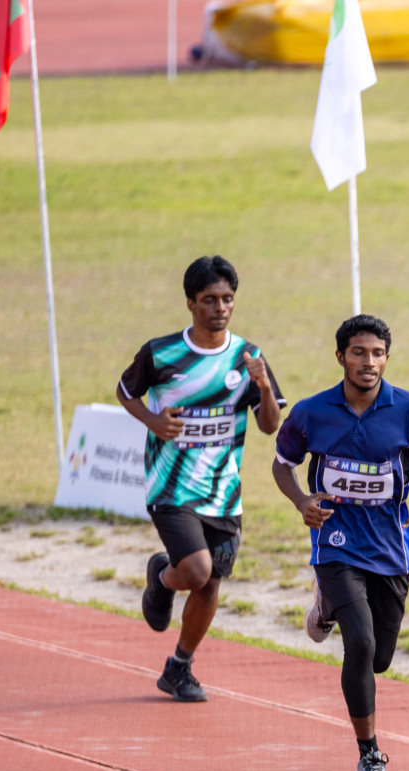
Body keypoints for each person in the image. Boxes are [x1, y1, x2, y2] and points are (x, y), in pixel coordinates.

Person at [272, 314, 409, 771]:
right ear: (340, 357)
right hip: (336, 543)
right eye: (358, 353)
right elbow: (282, 463)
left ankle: (325, 607)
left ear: (387, 358)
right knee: (362, 644)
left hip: (391, 546)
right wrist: (302, 501)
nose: (368, 362)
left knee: (380, 658)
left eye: (376, 353)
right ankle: (369, 756)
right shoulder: (313, 412)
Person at [121, 255, 285, 702]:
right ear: (191, 302)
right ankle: (162, 577)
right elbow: (124, 391)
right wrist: (153, 422)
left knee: (211, 584)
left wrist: (265, 387)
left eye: (227, 299)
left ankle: (179, 667)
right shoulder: (162, 353)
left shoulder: (248, 356)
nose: (220, 307)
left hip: (223, 491)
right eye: (210, 299)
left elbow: (270, 426)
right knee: (196, 571)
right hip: (170, 486)